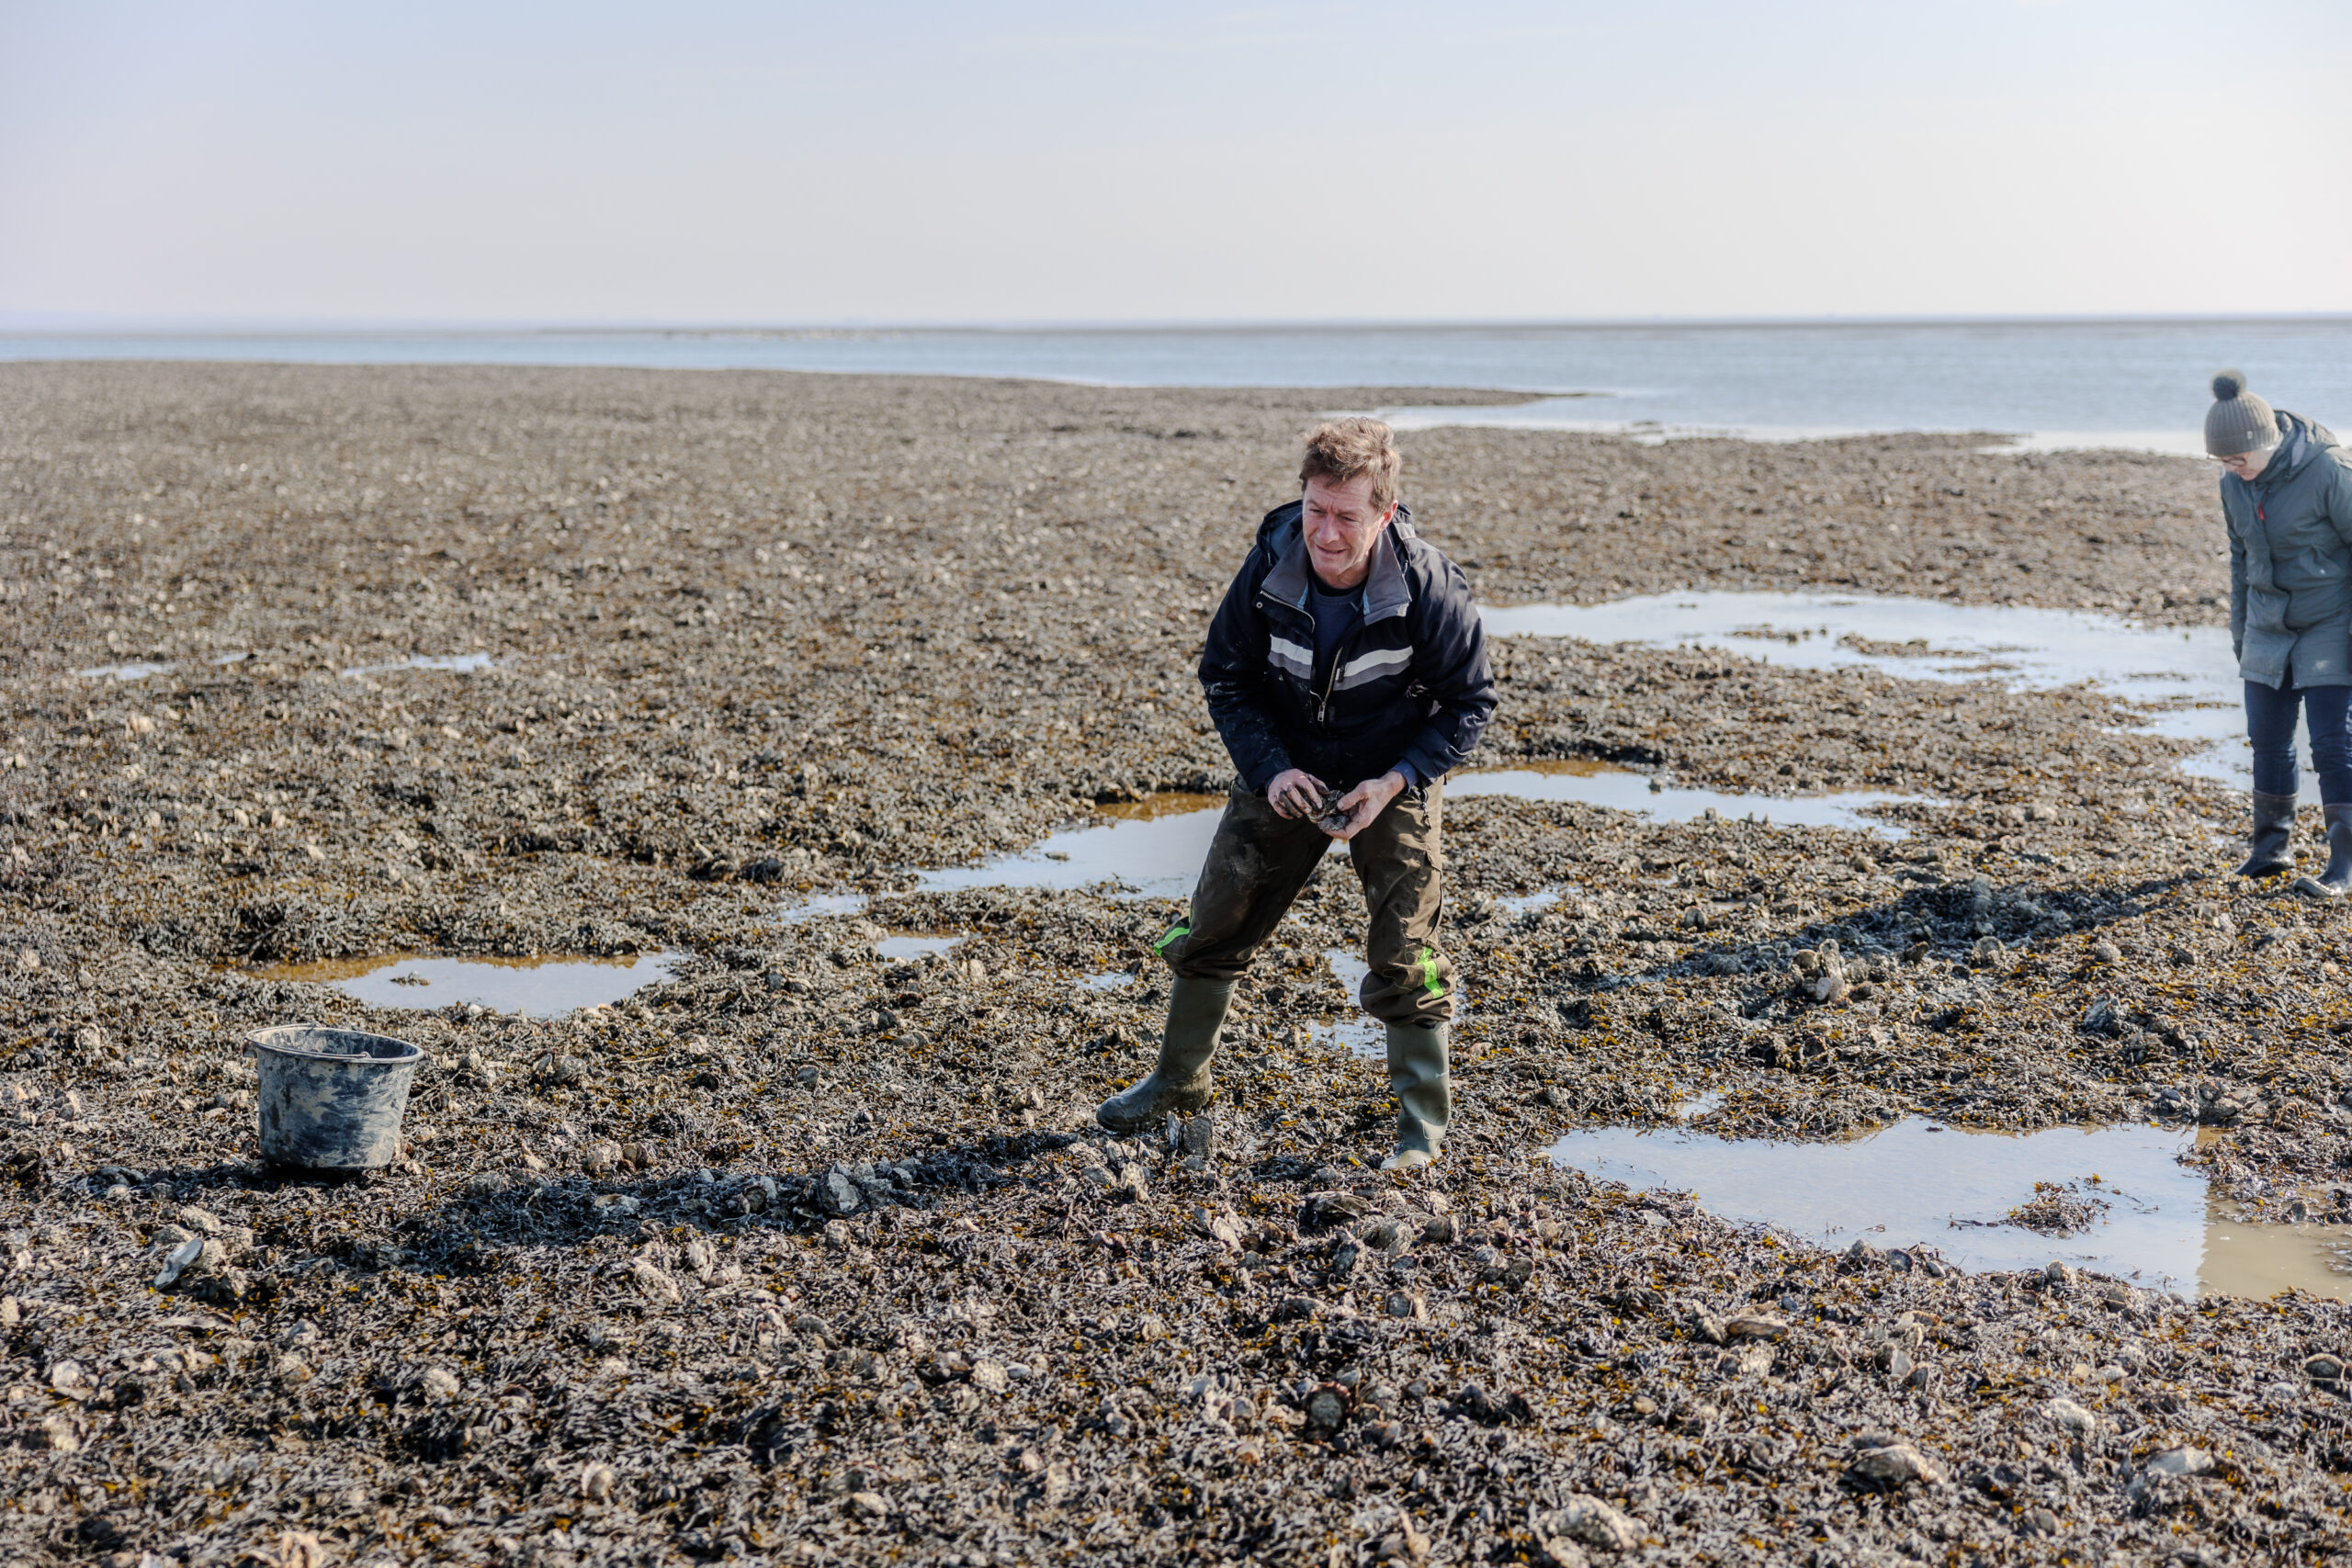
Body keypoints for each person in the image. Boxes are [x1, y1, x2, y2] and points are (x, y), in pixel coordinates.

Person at [1096, 418, 1496, 1170]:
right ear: (1302, 497)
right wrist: (1272, 769)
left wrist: (1396, 780)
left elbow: (1470, 702)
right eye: (1316, 510)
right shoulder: (1269, 566)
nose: (1327, 533)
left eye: (1347, 515)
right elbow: (1226, 676)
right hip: (1287, 767)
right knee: (1214, 922)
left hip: (1390, 772)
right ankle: (1179, 1081)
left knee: (1406, 950)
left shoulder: (1429, 585)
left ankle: (1420, 1131)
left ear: (1385, 512)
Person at [2211, 369, 2352, 897]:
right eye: (2222, 461)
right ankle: (2270, 851)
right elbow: (2240, 561)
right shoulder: (2233, 483)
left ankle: (2345, 867)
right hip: (2267, 627)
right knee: (2267, 739)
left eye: (2237, 458)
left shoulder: (2329, 470)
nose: (2232, 468)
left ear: (2264, 441)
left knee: (2333, 744)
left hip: (2331, 619)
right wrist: (2242, 633)